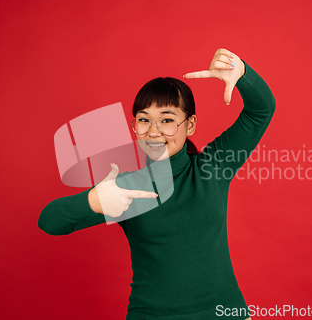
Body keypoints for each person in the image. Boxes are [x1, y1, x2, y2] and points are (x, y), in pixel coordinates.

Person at [38, 48, 276, 320]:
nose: (153, 131)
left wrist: (242, 72)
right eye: (143, 120)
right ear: (134, 127)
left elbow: (261, 109)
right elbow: (49, 221)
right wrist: (94, 200)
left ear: (190, 125)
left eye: (167, 120)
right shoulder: (126, 189)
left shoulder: (212, 168)